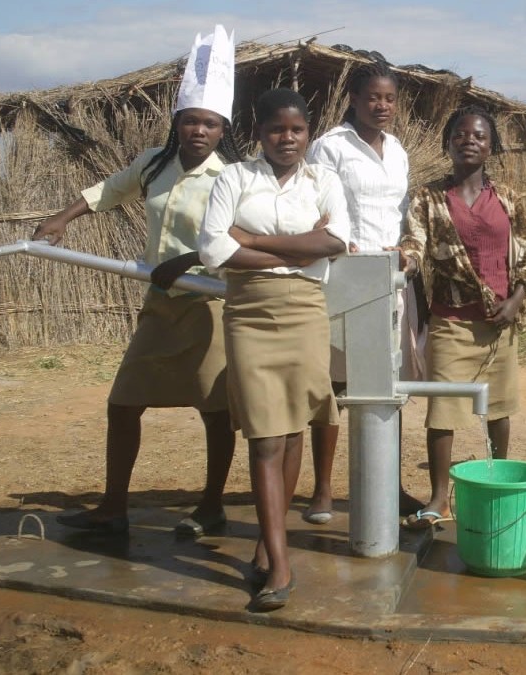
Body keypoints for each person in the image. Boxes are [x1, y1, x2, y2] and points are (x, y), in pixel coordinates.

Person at [35, 26, 240, 536]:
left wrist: (191, 257)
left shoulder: (233, 178)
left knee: (214, 409)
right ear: (178, 122)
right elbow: (108, 189)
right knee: (123, 402)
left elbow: (240, 235)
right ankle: (113, 506)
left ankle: (211, 504)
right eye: (190, 121)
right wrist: (63, 217)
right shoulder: (154, 164)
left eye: (209, 124)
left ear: (221, 130)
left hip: (209, 304)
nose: (198, 131)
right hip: (161, 303)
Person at [198, 88, 349, 612]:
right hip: (249, 313)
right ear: (258, 132)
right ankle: (280, 566)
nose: (287, 138)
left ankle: (271, 538)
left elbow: (335, 243)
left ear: (309, 133)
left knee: (292, 432)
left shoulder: (324, 180)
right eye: (276, 129)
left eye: (297, 130)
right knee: (264, 435)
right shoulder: (234, 178)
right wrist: (291, 254)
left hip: (307, 312)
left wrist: (253, 241)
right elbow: (214, 247)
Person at [398, 105, 526, 529]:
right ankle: (439, 498)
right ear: (448, 143)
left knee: (498, 409)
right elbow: (414, 243)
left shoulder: (509, 199)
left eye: (478, 135)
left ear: (490, 146)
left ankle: (497, 483)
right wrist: (403, 260)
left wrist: (515, 300)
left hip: (499, 326)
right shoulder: (428, 198)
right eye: (460, 135)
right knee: (443, 414)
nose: (469, 141)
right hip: (451, 322)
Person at [304, 59, 423, 524]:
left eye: (390, 98)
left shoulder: (398, 150)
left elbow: (401, 212)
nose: (382, 106)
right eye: (373, 97)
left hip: (391, 278)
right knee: (332, 386)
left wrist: (407, 252)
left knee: (386, 384)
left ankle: (385, 487)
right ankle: (322, 490)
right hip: (342, 275)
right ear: (353, 99)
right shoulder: (330, 147)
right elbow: (314, 203)